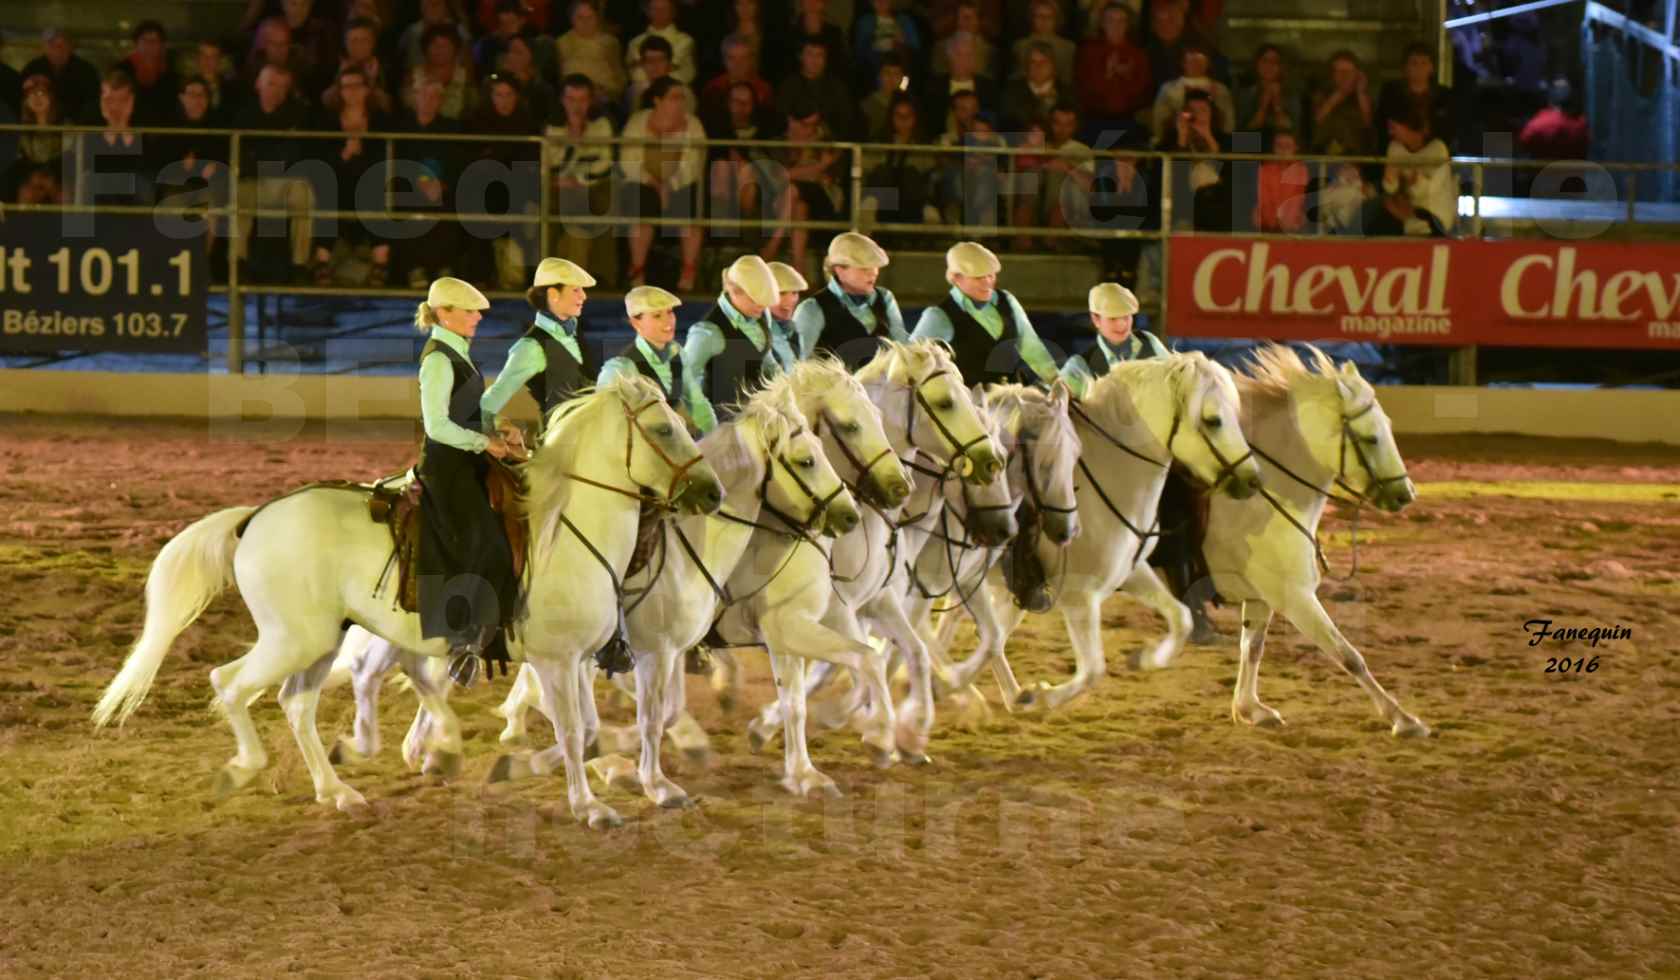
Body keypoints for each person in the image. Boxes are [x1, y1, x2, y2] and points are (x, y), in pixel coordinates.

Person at [412, 276, 524, 686]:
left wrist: (501, 428)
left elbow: (467, 410)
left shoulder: (458, 353)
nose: (478, 317)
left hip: (469, 461)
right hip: (447, 468)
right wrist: (485, 443)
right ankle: (461, 641)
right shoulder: (439, 360)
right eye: (471, 311)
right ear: (444, 313)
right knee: (484, 540)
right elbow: (437, 425)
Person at [911, 241, 1062, 388]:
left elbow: (1033, 349)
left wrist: (1058, 383)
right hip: (970, 408)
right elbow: (909, 363)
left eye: (991, 275)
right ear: (956, 278)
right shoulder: (938, 316)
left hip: (1012, 402)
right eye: (978, 277)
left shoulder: (1007, 301)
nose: (987, 282)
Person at [482, 257, 601, 432]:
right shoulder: (531, 347)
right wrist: (488, 437)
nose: (583, 296)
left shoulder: (575, 332)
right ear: (553, 294)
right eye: (576, 290)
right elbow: (490, 401)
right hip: (559, 448)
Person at [683, 254, 780, 432]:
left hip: (759, 419)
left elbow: (766, 359)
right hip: (722, 426)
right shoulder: (707, 332)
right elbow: (686, 380)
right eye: (754, 299)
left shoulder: (760, 313)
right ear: (734, 291)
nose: (761, 305)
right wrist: (706, 422)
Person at [793, 231, 907, 368]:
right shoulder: (812, 309)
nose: (874, 273)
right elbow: (798, 363)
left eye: (875, 267)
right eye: (864, 268)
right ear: (840, 270)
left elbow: (902, 347)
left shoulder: (885, 298)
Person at [1057, 282, 1166, 398]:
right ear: (1096, 319)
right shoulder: (1080, 367)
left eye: (1126, 317)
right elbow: (1055, 405)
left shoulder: (1149, 342)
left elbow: (1176, 381)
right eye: (1112, 319)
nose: (1122, 325)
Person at [599, 285, 690, 414]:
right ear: (636, 323)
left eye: (670, 312)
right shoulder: (620, 367)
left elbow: (696, 404)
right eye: (657, 316)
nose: (668, 321)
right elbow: (606, 415)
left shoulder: (678, 354)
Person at [766, 262, 809, 373]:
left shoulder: (792, 329)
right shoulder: (756, 331)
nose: (790, 300)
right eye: (781, 293)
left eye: (794, 293)